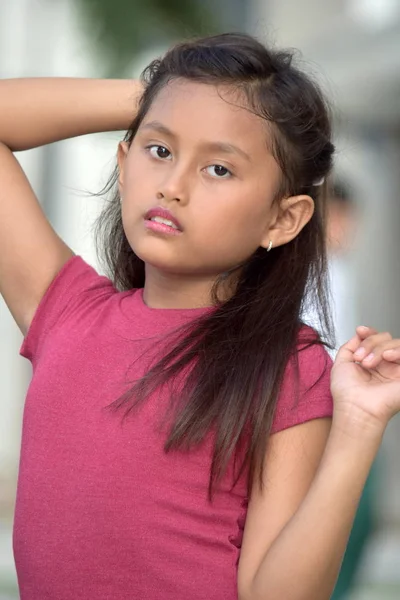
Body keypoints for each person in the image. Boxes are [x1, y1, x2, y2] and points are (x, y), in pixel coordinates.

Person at [0, 33, 399, 600]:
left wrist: (358, 428)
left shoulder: (289, 370)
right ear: (124, 158)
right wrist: (161, 95)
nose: (173, 185)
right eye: (159, 151)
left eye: (218, 169)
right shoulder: (64, 311)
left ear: (283, 220)